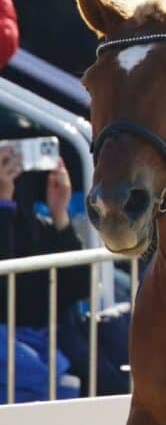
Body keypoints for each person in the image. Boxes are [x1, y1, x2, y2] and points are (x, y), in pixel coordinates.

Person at [0, 146, 87, 402]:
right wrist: (3, 204)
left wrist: (60, 213)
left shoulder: (34, 225)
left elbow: (78, 288)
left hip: (42, 351)